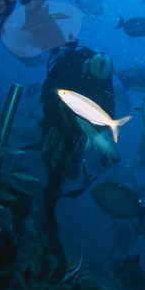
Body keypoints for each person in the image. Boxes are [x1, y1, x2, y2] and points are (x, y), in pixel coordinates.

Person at [39, 43, 115, 277]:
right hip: (59, 123)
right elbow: (47, 99)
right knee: (54, 174)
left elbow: (109, 111)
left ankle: (51, 207)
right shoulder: (68, 68)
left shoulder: (105, 77)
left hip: (80, 130)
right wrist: (64, 125)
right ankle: (50, 231)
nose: (94, 83)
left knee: (69, 173)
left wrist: (99, 137)